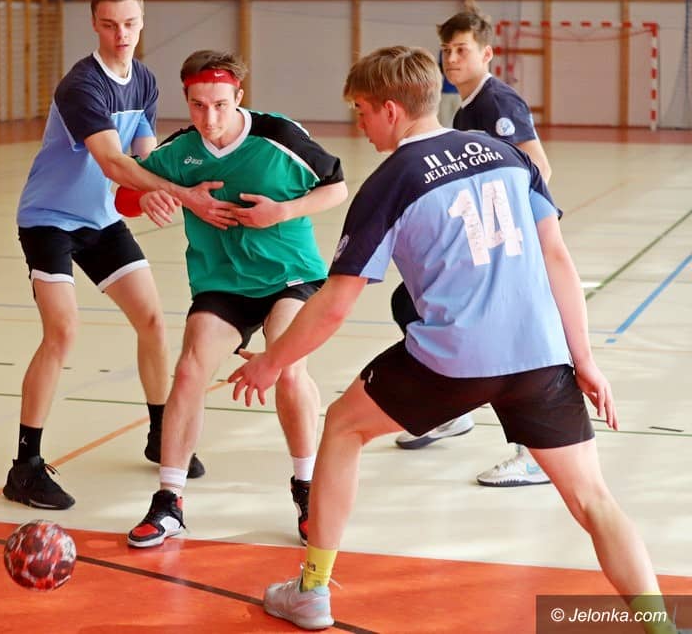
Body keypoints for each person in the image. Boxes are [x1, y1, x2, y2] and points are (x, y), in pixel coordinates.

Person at [228, 46, 676, 633]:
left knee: (341, 426)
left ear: (391, 110)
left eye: (362, 110)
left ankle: (312, 590)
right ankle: (659, 625)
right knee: (594, 499)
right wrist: (583, 359)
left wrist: (271, 362)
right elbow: (558, 258)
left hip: (452, 362)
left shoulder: (391, 181)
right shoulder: (506, 155)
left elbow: (335, 304)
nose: (360, 124)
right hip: (540, 355)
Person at [5, 0, 227, 510]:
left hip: (99, 219)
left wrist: (157, 189)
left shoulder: (144, 80)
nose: (120, 34)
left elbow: (145, 157)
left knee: (151, 319)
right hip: (49, 220)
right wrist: (178, 194)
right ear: (94, 25)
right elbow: (110, 160)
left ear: (142, 21)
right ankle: (25, 467)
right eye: (109, 25)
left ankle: (159, 433)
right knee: (62, 331)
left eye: (129, 24)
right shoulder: (82, 85)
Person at [123, 50, 348, 548]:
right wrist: (151, 195)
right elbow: (124, 192)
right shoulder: (180, 151)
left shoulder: (279, 136)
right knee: (189, 369)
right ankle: (169, 500)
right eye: (199, 106)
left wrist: (283, 211)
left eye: (221, 105)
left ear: (239, 97)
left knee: (288, 366)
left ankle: (307, 488)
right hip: (222, 283)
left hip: (290, 277)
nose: (210, 118)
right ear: (187, 100)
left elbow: (336, 187)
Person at [392, 7, 555, 489]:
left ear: (487, 54)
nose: (451, 58)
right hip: (487, 238)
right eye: (446, 50)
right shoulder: (466, 109)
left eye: (461, 49)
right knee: (412, 303)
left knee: (513, 337)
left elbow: (538, 166)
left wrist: (505, 225)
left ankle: (534, 453)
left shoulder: (495, 102)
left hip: (512, 241)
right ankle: (454, 407)